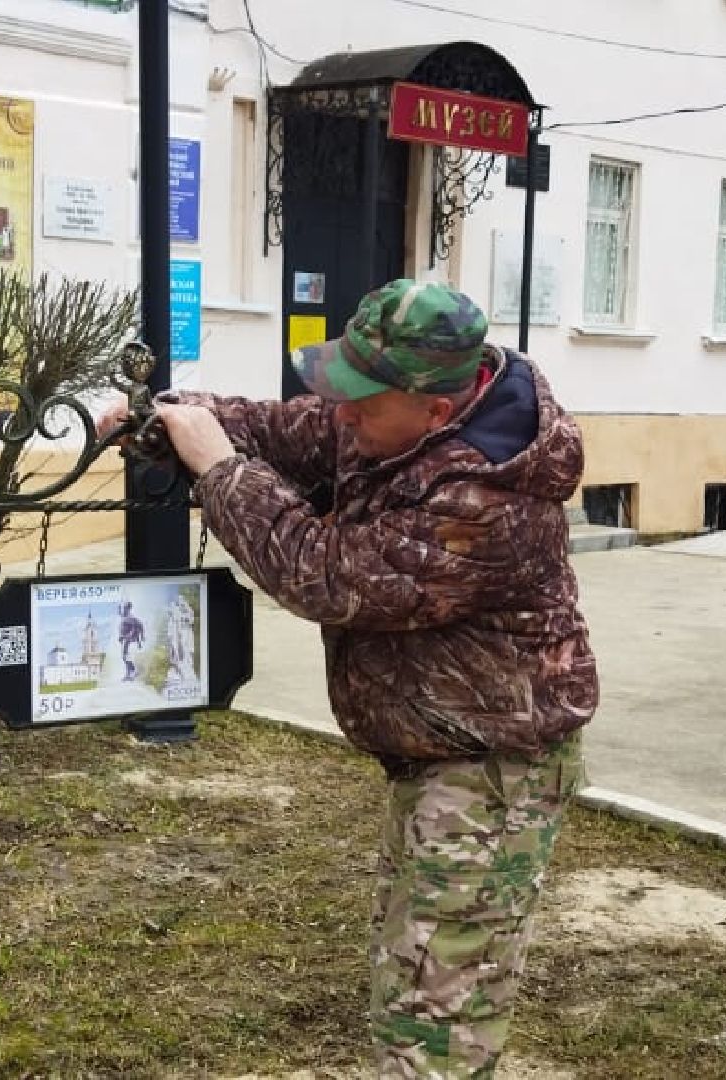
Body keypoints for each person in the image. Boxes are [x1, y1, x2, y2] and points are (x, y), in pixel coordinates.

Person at [111, 279, 598, 1077]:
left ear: (436, 410)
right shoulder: (385, 424)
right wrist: (158, 417)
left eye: (361, 403)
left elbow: (323, 575)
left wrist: (219, 470)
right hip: (439, 753)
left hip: (492, 771)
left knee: (442, 1004)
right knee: (411, 968)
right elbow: (274, 427)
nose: (340, 414)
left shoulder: (487, 497)